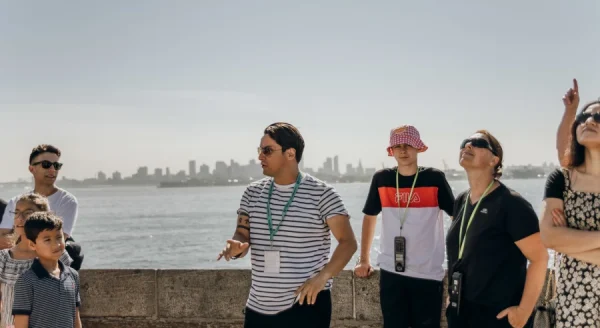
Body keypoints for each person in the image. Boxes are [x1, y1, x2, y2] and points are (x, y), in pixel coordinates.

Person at [217, 122, 357, 328]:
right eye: (260, 150)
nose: (260, 156)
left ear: (290, 153)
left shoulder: (322, 193)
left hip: (305, 304)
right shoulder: (252, 193)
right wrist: (236, 247)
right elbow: (241, 234)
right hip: (257, 307)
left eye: (267, 150)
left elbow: (348, 243)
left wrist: (322, 278)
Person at [353, 125, 455, 328]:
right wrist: (364, 259)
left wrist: (457, 261)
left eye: (408, 145)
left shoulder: (434, 178)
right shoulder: (382, 179)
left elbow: (457, 218)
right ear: (391, 151)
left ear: (418, 147)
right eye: (397, 146)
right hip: (392, 271)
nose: (403, 150)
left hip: (427, 272)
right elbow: (369, 217)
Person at [445, 130, 548, 328]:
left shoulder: (512, 204)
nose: (468, 145)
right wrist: (451, 297)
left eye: (477, 142)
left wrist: (523, 312)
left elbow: (540, 258)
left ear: (495, 160)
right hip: (460, 314)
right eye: (465, 141)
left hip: (498, 318)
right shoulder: (461, 201)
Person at [540, 100, 600, 328]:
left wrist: (568, 240)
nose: (590, 121)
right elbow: (548, 237)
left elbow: (557, 239)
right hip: (574, 305)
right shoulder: (561, 180)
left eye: (599, 118)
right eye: (583, 118)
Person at [0, 144, 83, 270]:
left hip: (45, 266)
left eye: (56, 165)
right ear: (32, 169)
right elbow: (2, 238)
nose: (52, 170)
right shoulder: (16, 201)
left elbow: (57, 240)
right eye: (46, 164)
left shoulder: (67, 201)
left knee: (73, 248)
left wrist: (20, 240)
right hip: (15, 260)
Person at [0, 194, 72, 328]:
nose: (20, 218)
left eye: (27, 213)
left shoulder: (58, 255)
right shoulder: (4, 257)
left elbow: (68, 296)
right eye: (16, 213)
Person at [12, 211, 81, 328]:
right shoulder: (26, 281)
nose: (56, 244)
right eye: (47, 240)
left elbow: (75, 317)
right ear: (32, 245)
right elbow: (20, 324)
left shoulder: (72, 275)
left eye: (59, 237)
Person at [557, 79, 580, 167]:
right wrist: (570, 110)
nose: (589, 121)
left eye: (598, 117)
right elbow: (564, 156)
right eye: (584, 116)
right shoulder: (576, 171)